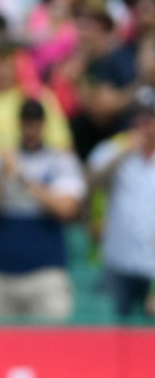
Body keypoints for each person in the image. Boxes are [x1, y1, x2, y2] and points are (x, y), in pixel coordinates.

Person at [0, 99, 86, 320]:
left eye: (35, 123)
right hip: (2, 273)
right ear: (19, 124)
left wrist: (23, 178)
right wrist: (3, 175)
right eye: (26, 123)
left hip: (45, 274)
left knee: (48, 348)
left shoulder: (60, 161)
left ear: (43, 125)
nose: (31, 129)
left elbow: (66, 209)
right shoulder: (0, 161)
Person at [87, 86, 155, 318]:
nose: (144, 125)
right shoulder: (114, 148)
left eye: (150, 118)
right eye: (140, 118)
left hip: (152, 264)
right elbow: (90, 182)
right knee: (115, 337)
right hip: (118, 260)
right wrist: (124, 150)